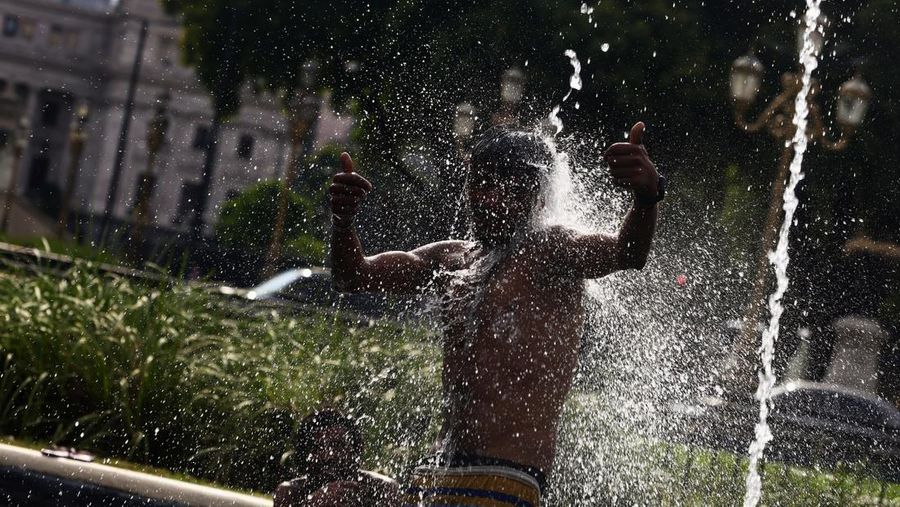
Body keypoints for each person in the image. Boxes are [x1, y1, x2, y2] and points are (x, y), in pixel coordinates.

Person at [329, 122, 662, 505]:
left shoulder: (551, 252)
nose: (492, 199)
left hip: (507, 474)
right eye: (483, 184)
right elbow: (352, 276)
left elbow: (627, 253)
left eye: (511, 189)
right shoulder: (453, 258)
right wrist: (343, 221)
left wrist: (647, 197)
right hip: (439, 469)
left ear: (539, 197)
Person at [274, 409, 399, 507]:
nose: (329, 455)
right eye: (318, 447)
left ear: (356, 450)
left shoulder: (381, 489)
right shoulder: (290, 493)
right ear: (306, 454)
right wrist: (313, 504)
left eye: (338, 445)